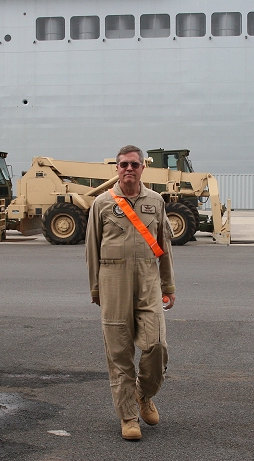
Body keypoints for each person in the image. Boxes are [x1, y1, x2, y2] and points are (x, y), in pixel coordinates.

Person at [85, 144, 176, 441]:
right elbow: (92, 249)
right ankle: (128, 417)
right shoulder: (101, 203)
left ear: (142, 168)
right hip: (113, 283)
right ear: (116, 168)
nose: (128, 169)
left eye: (134, 165)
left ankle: (144, 394)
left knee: (156, 346)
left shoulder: (156, 201)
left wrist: (168, 285)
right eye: (123, 164)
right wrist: (96, 288)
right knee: (119, 353)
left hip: (148, 281)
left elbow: (164, 248)